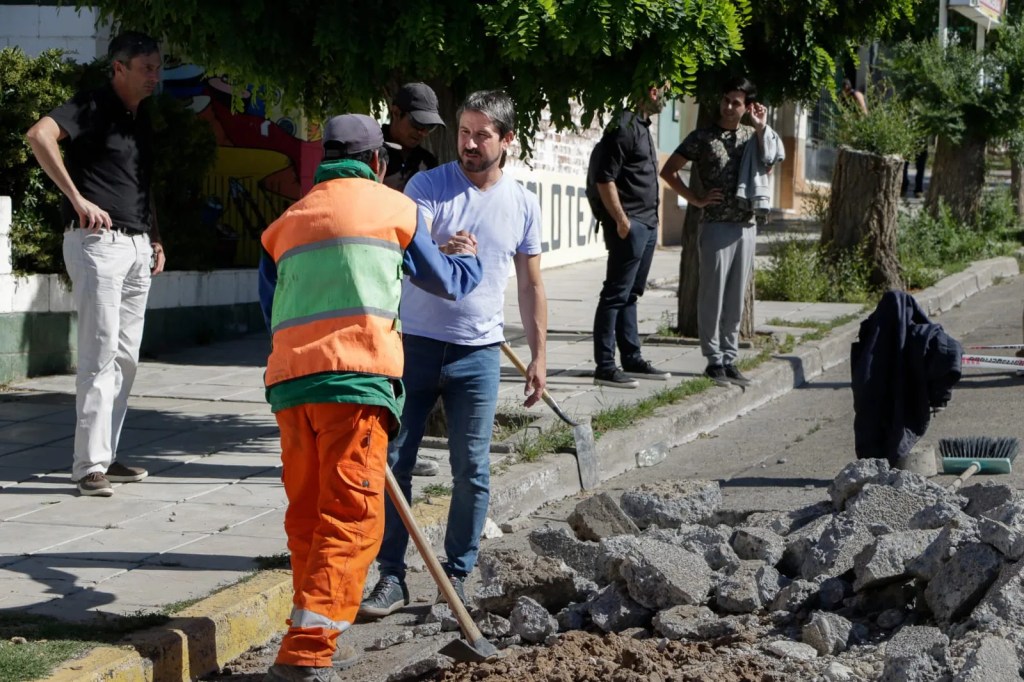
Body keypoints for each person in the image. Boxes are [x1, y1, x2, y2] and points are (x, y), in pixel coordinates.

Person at [258, 114, 482, 682]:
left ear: (324, 160)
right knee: (352, 518)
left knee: (309, 516)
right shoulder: (395, 208)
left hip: (290, 388)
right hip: (355, 385)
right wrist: (469, 256)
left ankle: (315, 630)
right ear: (378, 161)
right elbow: (449, 283)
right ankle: (307, 654)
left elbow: (272, 312)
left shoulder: (284, 223)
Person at [360, 90, 548, 617]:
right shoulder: (427, 186)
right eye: (464, 132)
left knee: (472, 469)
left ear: (506, 140)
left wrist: (539, 356)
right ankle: (391, 577)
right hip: (414, 344)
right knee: (395, 461)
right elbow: (405, 251)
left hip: (480, 353)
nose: (468, 143)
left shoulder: (522, 204)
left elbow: (532, 284)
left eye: (481, 134)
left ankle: (456, 578)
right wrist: (441, 254)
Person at [26, 31, 164, 497]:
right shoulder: (91, 105)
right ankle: (88, 467)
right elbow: (38, 135)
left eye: (157, 67)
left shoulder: (139, 120)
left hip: (138, 246)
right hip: (97, 243)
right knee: (99, 353)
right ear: (118, 68)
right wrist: (77, 197)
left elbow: (141, 184)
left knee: (126, 358)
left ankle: (106, 454)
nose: (154, 76)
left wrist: (156, 238)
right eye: (145, 68)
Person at [659, 77, 781, 388]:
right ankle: (713, 360)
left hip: (746, 225)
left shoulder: (753, 137)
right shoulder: (702, 137)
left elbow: (769, 164)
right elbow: (669, 171)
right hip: (714, 224)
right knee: (711, 295)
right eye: (726, 100)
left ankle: (730, 357)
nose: (728, 107)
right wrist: (696, 199)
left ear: (746, 106)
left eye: (736, 102)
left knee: (735, 296)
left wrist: (760, 124)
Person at [588, 84, 672, 389]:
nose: (668, 95)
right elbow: (604, 177)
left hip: (647, 225)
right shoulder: (623, 125)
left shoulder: (642, 127)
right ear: (652, 90)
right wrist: (622, 221)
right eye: (665, 88)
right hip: (631, 225)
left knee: (631, 295)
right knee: (614, 294)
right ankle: (606, 366)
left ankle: (632, 357)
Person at [382, 82, 445, 192]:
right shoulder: (371, 153)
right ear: (396, 113)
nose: (423, 133)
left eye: (430, 127)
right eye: (418, 124)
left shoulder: (428, 162)